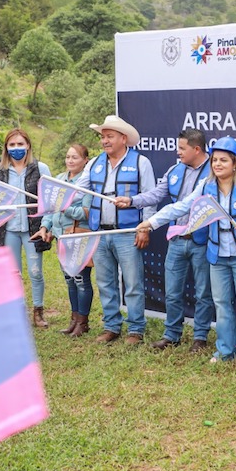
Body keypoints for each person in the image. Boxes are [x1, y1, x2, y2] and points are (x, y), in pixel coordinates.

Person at [139, 136, 236, 369]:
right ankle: (225, 350)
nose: (218, 164)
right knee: (221, 304)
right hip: (217, 257)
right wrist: (152, 221)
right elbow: (182, 206)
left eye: (224, 161)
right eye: (215, 160)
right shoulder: (206, 186)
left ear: (235, 163)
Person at [115, 129, 214, 352]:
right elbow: (156, 195)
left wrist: (151, 223)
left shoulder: (214, 171)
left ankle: (200, 337)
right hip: (176, 240)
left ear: (196, 149)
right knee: (172, 291)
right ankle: (172, 334)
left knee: (203, 293)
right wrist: (131, 201)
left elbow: (186, 205)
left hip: (203, 240)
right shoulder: (174, 170)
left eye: (182, 148)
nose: (177, 152)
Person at [78, 115, 156, 345]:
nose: (104, 141)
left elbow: (150, 198)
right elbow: (78, 189)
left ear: (124, 138)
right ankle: (111, 325)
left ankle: (135, 329)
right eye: (103, 137)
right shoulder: (94, 163)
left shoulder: (141, 162)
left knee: (132, 283)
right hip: (99, 233)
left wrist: (145, 227)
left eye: (109, 136)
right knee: (105, 282)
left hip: (127, 232)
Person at [0, 129, 52, 327]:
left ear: (28, 146)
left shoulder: (40, 168)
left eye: (20, 144)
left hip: (33, 228)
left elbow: (49, 200)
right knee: (12, 273)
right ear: (6, 148)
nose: (16, 148)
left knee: (35, 271)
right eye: (12, 145)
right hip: (9, 229)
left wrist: (45, 225)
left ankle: (38, 311)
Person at [33, 144, 93, 336]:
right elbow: (50, 209)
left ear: (85, 160)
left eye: (75, 157)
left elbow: (86, 213)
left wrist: (65, 207)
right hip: (61, 236)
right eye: (68, 157)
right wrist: (45, 226)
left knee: (81, 279)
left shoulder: (86, 182)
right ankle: (74, 320)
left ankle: (83, 322)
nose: (70, 161)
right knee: (69, 280)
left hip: (78, 235)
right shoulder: (59, 179)